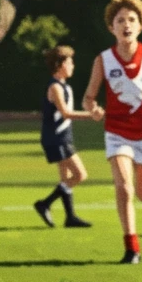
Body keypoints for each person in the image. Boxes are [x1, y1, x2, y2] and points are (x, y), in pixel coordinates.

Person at [81, 0, 142, 264]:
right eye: (120, 20)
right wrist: (94, 109)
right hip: (117, 132)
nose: (126, 25)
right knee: (124, 188)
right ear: (111, 27)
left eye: (131, 20)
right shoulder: (103, 60)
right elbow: (88, 97)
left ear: (140, 25)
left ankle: (134, 233)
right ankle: (131, 247)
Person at [33, 45, 102, 229]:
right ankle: (45, 204)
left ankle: (70, 217)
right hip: (56, 139)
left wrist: (92, 108)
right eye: (69, 62)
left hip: (63, 137)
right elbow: (66, 113)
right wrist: (91, 116)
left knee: (66, 178)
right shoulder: (55, 87)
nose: (73, 65)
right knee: (80, 174)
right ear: (59, 64)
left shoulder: (65, 87)